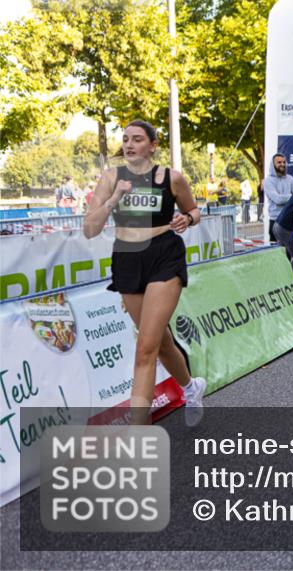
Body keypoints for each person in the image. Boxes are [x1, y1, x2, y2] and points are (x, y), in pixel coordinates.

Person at [82, 120, 206, 426]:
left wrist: (187, 220)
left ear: (152, 145)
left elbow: (194, 210)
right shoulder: (111, 177)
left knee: (145, 348)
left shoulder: (171, 178)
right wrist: (113, 200)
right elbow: (89, 229)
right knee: (161, 343)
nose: (129, 145)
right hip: (126, 257)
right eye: (125, 139)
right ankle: (191, 387)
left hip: (164, 255)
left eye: (137, 139)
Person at [264, 153, 293, 243]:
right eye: (279, 162)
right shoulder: (268, 181)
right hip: (275, 221)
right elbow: (277, 200)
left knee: (290, 253)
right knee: (276, 254)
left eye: (284, 162)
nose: (282, 164)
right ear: (273, 165)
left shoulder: (290, 179)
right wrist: (291, 196)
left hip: (290, 221)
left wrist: (290, 197)